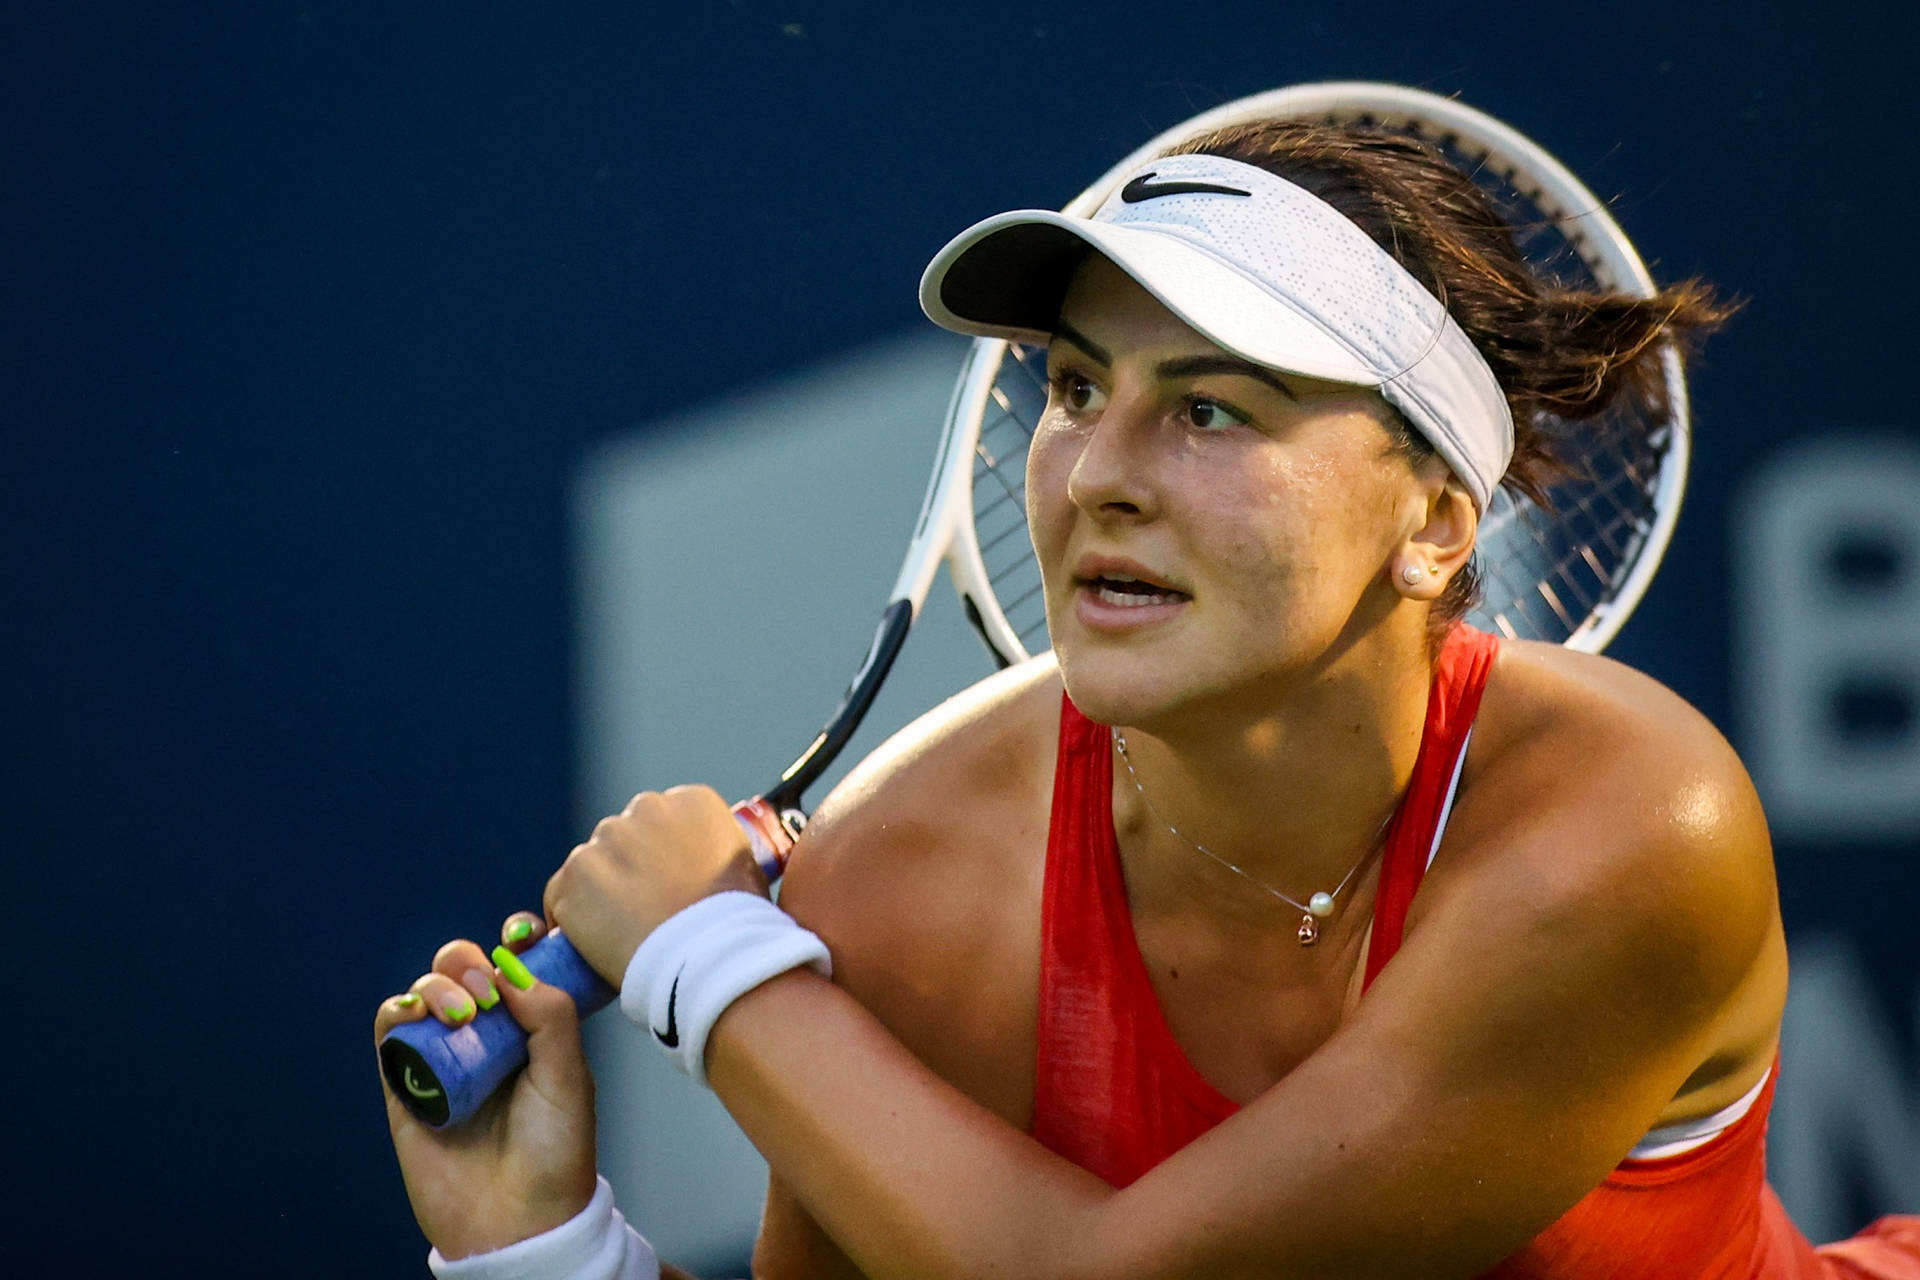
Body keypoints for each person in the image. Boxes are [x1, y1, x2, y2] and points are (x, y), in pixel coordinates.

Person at [374, 118, 1920, 1278]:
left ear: (1438, 520)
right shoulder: (918, 888)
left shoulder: (1632, 825)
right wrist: (547, 1251)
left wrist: (715, 968)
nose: (1100, 476)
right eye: (1072, 390)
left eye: (1209, 409)